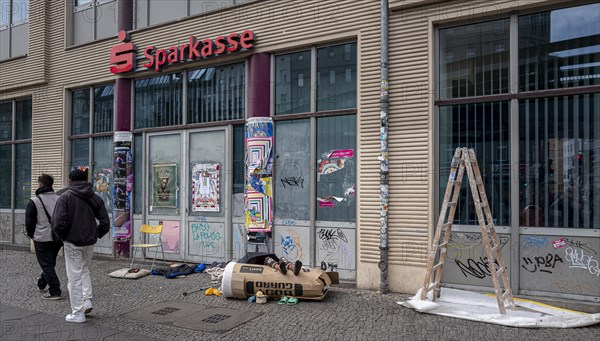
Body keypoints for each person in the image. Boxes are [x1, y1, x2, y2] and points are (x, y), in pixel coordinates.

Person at [52, 169, 110, 323]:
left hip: (72, 242)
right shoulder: (95, 198)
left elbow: (57, 223)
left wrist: (63, 237)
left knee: (74, 277)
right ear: (86, 179)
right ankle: (87, 300)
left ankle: (78, 313)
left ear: (70, 180)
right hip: (89, 242)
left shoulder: (65, 197)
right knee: (84, 270)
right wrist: (96, 234)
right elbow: (105, 222)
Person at [25, 174, 63, 300]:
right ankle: (41, 282)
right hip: (57, 237)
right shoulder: (59, 199)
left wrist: (32, 235)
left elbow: (29, 222)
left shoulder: (34, 201)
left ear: (40, 184)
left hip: (42, 238)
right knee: (50, 262)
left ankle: (55, 291)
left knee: (46, 265)